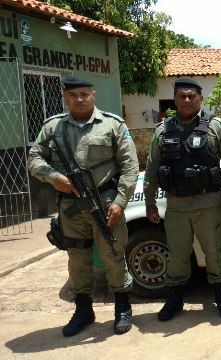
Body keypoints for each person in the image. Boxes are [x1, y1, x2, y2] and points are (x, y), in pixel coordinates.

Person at [27, 77, 139, 336]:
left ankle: (122, 308)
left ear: (93, 95)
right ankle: (83, 310)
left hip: (106, 204)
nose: (80, 98)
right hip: (70, 208)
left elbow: (130, 166)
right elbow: (34, 159)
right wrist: (55, 178)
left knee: (113, 256)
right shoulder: (53, 127)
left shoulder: (112, 124)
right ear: (64, 97)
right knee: (77, 260)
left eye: (85, 94)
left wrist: (121, 201)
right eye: (74, 94)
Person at [144, 78, 221, 321]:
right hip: (176, 206)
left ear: (200, 98)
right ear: (175, 99)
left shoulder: (216, 126)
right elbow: (152, 166)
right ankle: (175, 298)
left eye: (192, 96)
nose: (187, 100)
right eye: (182, 96)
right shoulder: (163, 130)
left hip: (208, 204)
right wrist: (149, 201)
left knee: (213, 253)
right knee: (177, 255)